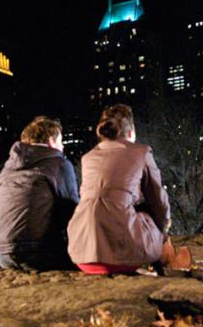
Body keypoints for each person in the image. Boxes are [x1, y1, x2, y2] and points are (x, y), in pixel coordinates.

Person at [67, 104, 192, 274]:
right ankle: (170, 262)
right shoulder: (141, 152)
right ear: (131, 131)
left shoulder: (88, 157)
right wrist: (163, 230)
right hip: (122, 258)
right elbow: (158, 201)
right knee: (151, 211)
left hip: (82, 253)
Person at [0, 116, 79, 271]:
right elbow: (72, 212)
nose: (63, 146)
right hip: (39, 253)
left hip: (2, 255)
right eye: (61, 141)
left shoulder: (7, 169)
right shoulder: (58, 164)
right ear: (51, 141)